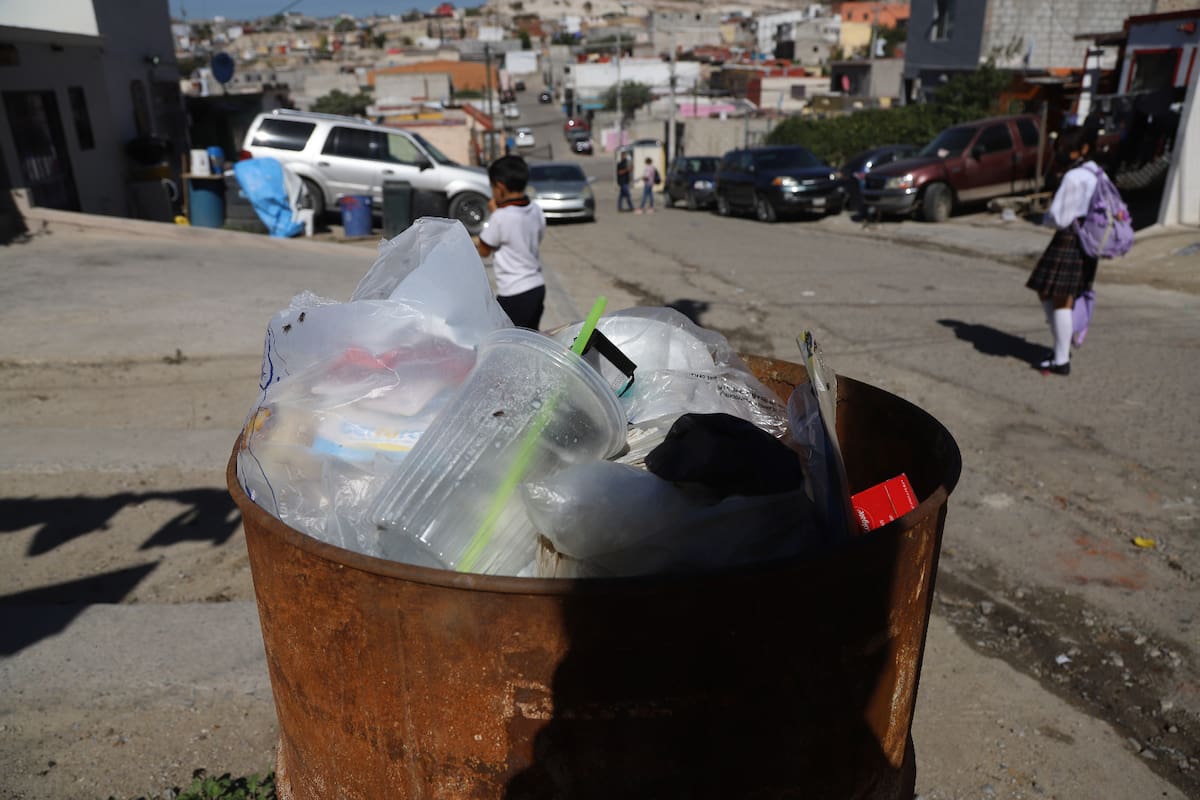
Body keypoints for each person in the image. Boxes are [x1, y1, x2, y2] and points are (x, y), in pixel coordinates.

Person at [1025, 125, 1100, 376]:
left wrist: (1044, 218)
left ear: (1084, 149)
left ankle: (1061, 358)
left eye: (1068, 148)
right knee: (1055, 295)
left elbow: (1058, 217)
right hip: (1088, 243)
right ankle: (1061, 349)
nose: (1064, 152)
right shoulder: (1097, 173)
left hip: (1068, 240)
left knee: (1059, 300)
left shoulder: (1074, 177)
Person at [474, 155, 547, 330]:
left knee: (508, 344)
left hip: (514, 292)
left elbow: (484, 250)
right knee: (530, 339)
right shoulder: (535, 209)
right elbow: (539, 234)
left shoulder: (500, 217)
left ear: (499, 187)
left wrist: (493, 213)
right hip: (536, 287)